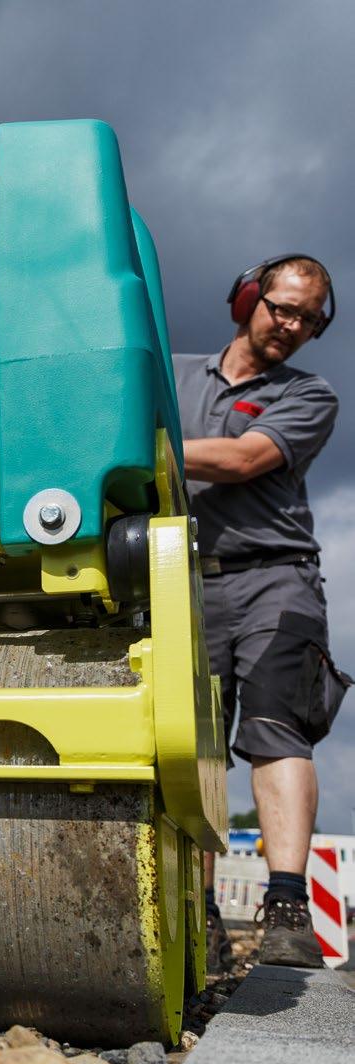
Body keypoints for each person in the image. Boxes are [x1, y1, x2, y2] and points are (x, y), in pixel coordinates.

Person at [172, 255, 351, 971]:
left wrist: (135, 446)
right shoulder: (170, 375)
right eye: (282, 307)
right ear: (247, 298)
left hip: (275, 578)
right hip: (180, 579)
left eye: (308, 318)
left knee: (277, 733)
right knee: (193, 750)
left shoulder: (310, 394)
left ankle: (285, 906)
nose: (293, 326)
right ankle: (198, 916)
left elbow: (243, 460)